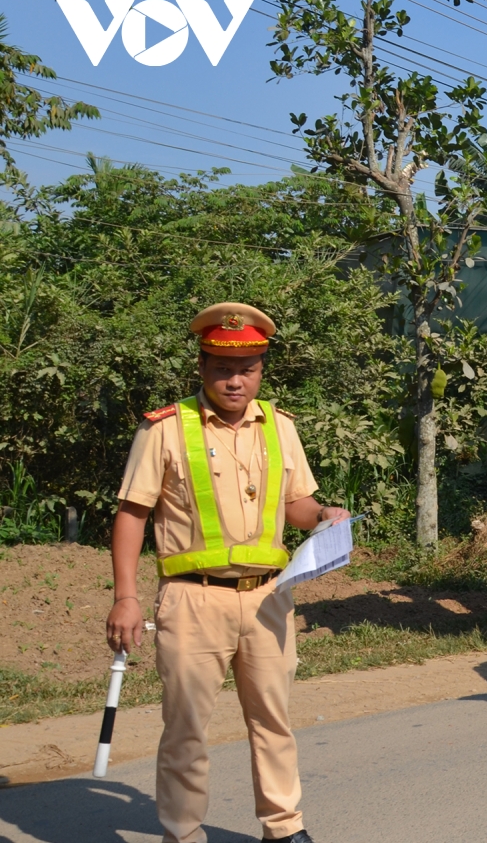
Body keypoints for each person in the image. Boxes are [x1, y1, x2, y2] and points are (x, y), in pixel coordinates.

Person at [104, 303, 350, 843]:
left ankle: (285, 829)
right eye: (220, 367)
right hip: (193, 603)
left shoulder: (280, 427)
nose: (234, 380)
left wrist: (325, 515)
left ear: (262, 369)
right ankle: (183, 833)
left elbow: (297, 504)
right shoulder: (165, 430)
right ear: (201, 366)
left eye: (247, 369)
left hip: (267, 599)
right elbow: (132, 514)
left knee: (273, 722)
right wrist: (126, 596)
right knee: (186, 731)